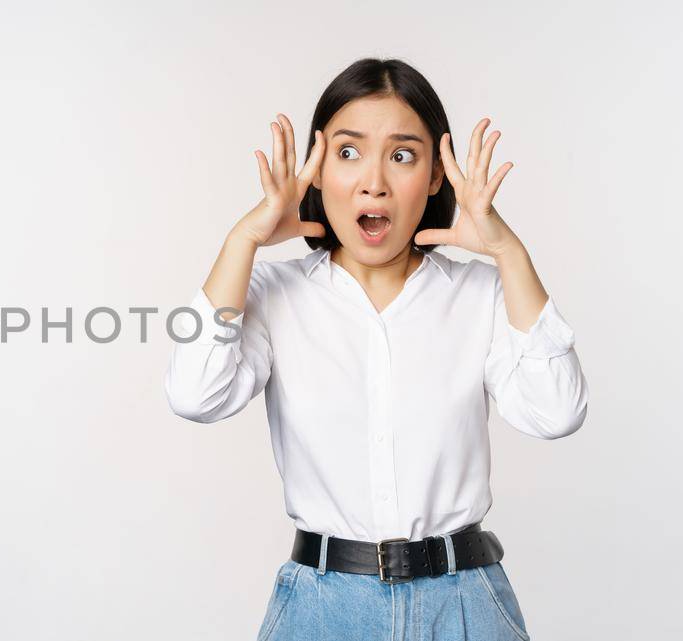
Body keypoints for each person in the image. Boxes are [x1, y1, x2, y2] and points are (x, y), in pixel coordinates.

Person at [163, 58, 588, 641]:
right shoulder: (274, 293)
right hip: (321, 606)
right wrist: (245, 239)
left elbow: (557, 412)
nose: (374, 182)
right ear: (317, 170)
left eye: (402, 155)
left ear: (437, 175)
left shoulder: (481, 294)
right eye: (348, 152)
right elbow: (194, 394)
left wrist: (510, 254)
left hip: (463, 603)